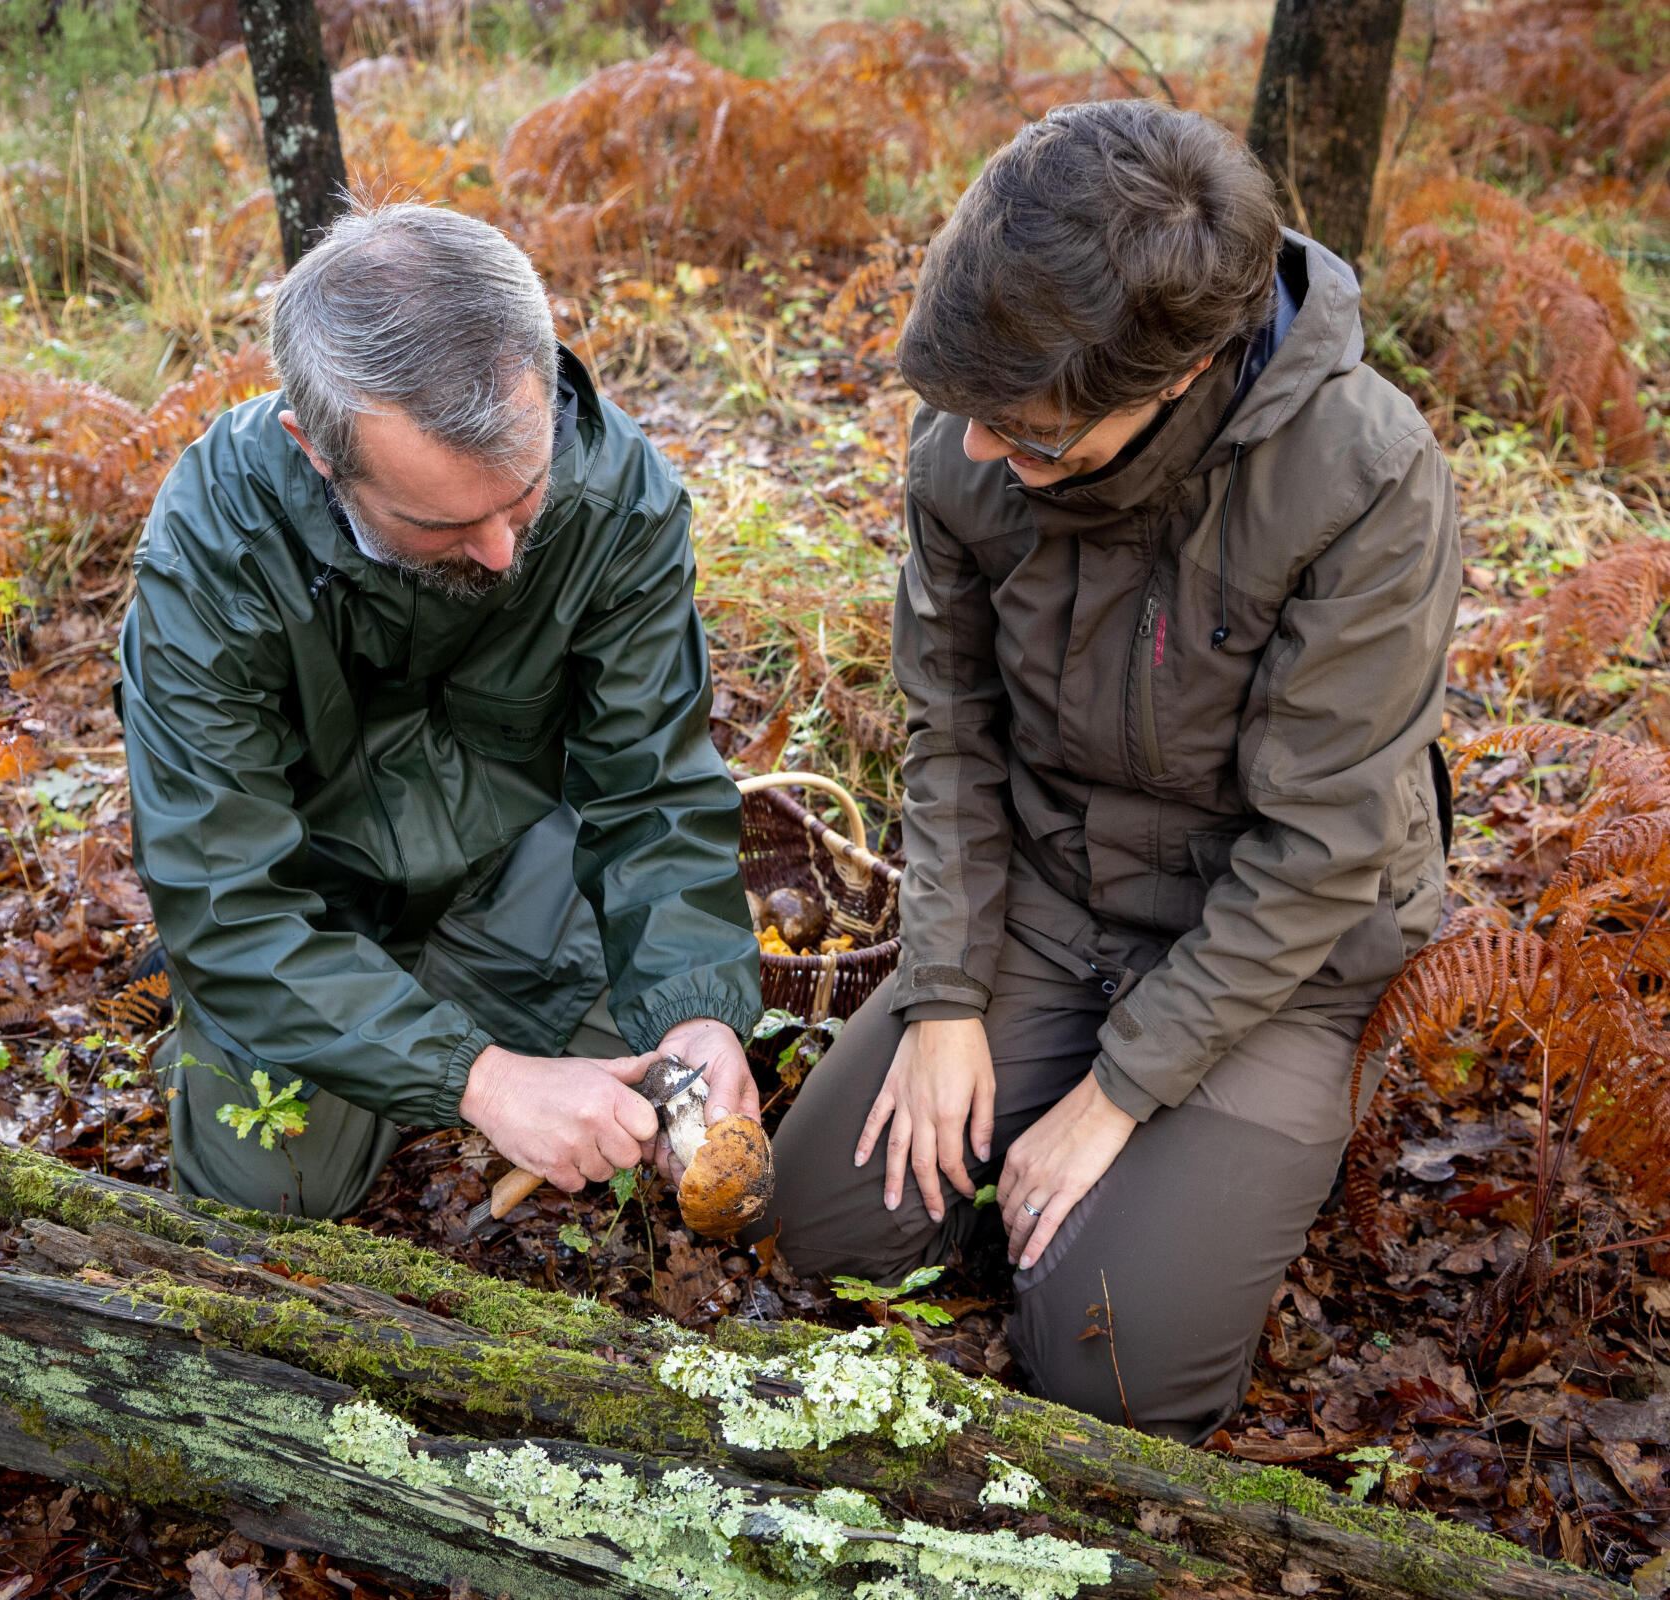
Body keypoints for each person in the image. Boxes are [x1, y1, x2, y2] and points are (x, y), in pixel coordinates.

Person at [753, 100, 1459, 1442]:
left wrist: (1121, 1091)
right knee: (822, 1227)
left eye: (1029, 436)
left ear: (1177, 380)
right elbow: (952, 729)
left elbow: (1320, 849)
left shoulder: (1363, 477)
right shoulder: (971, 440)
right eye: (966, 414)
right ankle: (1054, 1141)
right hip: (1055, 899)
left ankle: (1235, 1148)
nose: (974, 455)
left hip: (1280, 971)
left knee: (1109, 1365)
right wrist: (949, 992)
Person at [119, 203, 762, 1219]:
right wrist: (484, 1081)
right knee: (273, 1196)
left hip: (508, 880)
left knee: (653, 1075)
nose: (505, 551)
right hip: (315, 910)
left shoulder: (619, 498)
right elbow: (227, 896)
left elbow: (654, 791)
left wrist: (699, 1012)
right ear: (317, 451)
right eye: (443, 522)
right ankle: (309, 1039)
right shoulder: (217, 546)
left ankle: (460, 1033)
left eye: (525, 493)